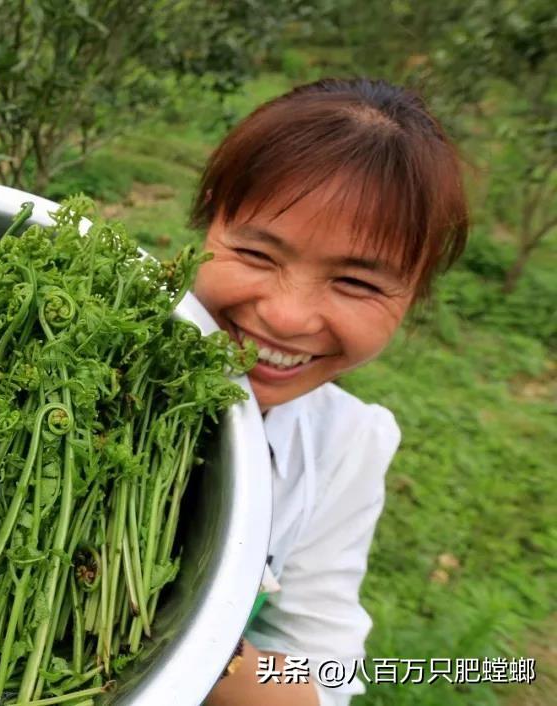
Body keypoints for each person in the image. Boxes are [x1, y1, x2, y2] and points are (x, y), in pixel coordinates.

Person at [192, 78, 468, 706]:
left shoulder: (346, 445)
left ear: (416, 293)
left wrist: (189, 639)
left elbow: (323, 677)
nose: (288, 317)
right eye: (258, 254)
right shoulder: (70, 335)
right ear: (211, 219)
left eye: (356, 282)